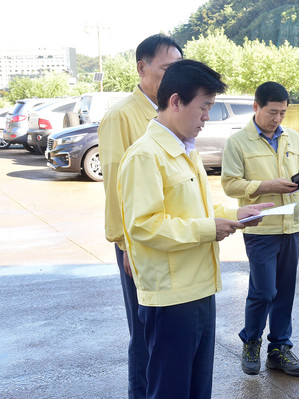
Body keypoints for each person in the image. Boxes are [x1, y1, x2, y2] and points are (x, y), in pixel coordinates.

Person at [117, 59, 273, 398]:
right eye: (204, 108)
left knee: (197, 388)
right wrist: (208, 229)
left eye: (211, 108)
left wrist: (237, 212)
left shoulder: (185, 150)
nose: (206, 117)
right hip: (172, 298)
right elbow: (144, 226)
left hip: (200, 289)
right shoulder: (146, 156)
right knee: (170, 389)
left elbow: (199, 208)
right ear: (175, 102)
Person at [97, 34, 182, 398]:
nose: (173, 75)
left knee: (162, 331)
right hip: (137, 243)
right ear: (141, 67)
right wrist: (125, 244)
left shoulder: (170, 112)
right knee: (145, 330)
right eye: (166, 68)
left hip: (165, 237)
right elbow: (116, 185)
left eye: (177, 68)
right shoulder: (122, 116)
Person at [221, 81, 299, 377]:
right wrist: (266, 186)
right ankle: (251, 341)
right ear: (256, 107)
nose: (278, 119)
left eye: (283, 113)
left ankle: (279, 349)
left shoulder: (293, 138)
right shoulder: (238, 143)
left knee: (285, 290)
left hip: (291, 225)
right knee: (264, 290)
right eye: (273, 112)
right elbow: (231, 183)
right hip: (260, 229)